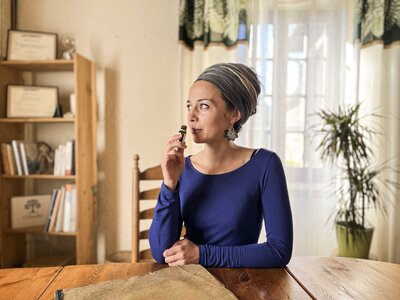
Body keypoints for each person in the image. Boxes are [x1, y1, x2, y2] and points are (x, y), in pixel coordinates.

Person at [149, 63, 293, 268]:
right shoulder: (183, 168)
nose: (191, 116)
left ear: (234, 114)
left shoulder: (264, 165)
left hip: (242, 286)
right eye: (189, 106)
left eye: (204, 106)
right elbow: (161, 253)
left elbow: (279, 250)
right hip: (189, 286)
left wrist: (201, 255)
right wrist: (169, 185)